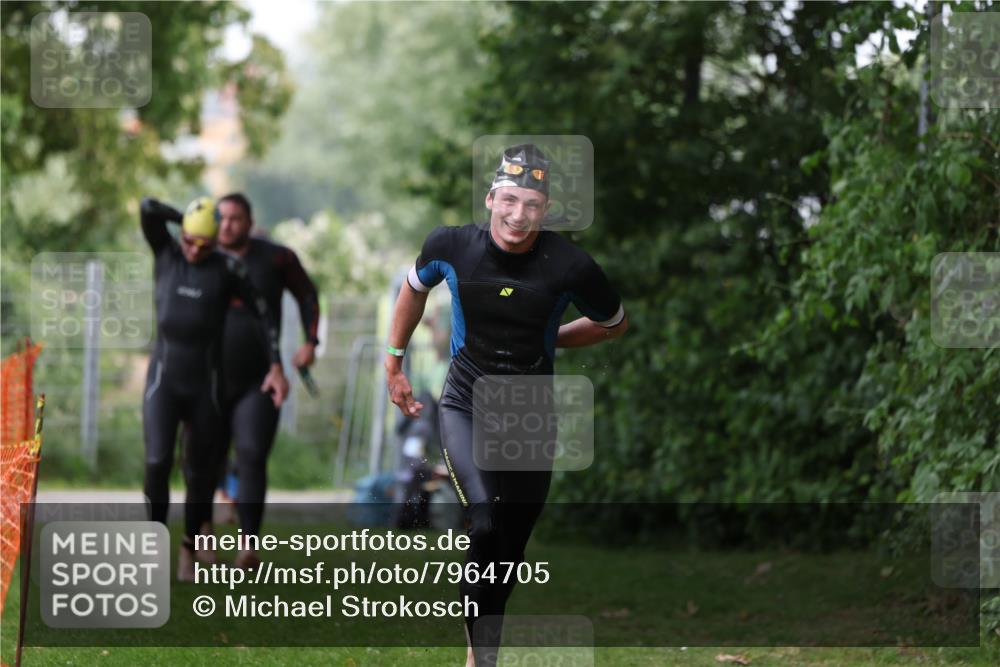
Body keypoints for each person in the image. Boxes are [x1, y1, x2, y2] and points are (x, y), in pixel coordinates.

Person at [384, 144, 627, 666]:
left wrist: (549, 337)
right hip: (465, 403)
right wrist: (393, 362)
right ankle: (482, 660)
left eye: (533, 205)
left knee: (510, 547)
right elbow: (412, 290)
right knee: (487, 520)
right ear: (492, 198)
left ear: (546, 210)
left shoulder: (571, 266)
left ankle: (481, 649)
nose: (519, 215)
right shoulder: (450, 246)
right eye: (510, 200)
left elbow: (615, 323)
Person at [140, 196, 288, 581]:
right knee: (157, 462)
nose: (193, 250)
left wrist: (275, 362)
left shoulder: (226, 268)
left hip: (205, 387)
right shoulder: (168, 255)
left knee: (200, 473)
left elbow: (264, 313)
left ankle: (189, 547)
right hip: (164, 382)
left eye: (203, 245)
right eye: (189, 240)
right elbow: (147, 208)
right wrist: (188, 218)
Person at [212, 192, 321, 569]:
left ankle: (247, 545)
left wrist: (310, 341)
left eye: (236, 219)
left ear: (249, 220)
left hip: (261, 378)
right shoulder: (202, 255)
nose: (227, 225)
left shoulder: (275, 257)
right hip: (208, 378)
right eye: (221, 218)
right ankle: (203, 538)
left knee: (252, 455)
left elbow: (307, 294)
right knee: (203, 457)